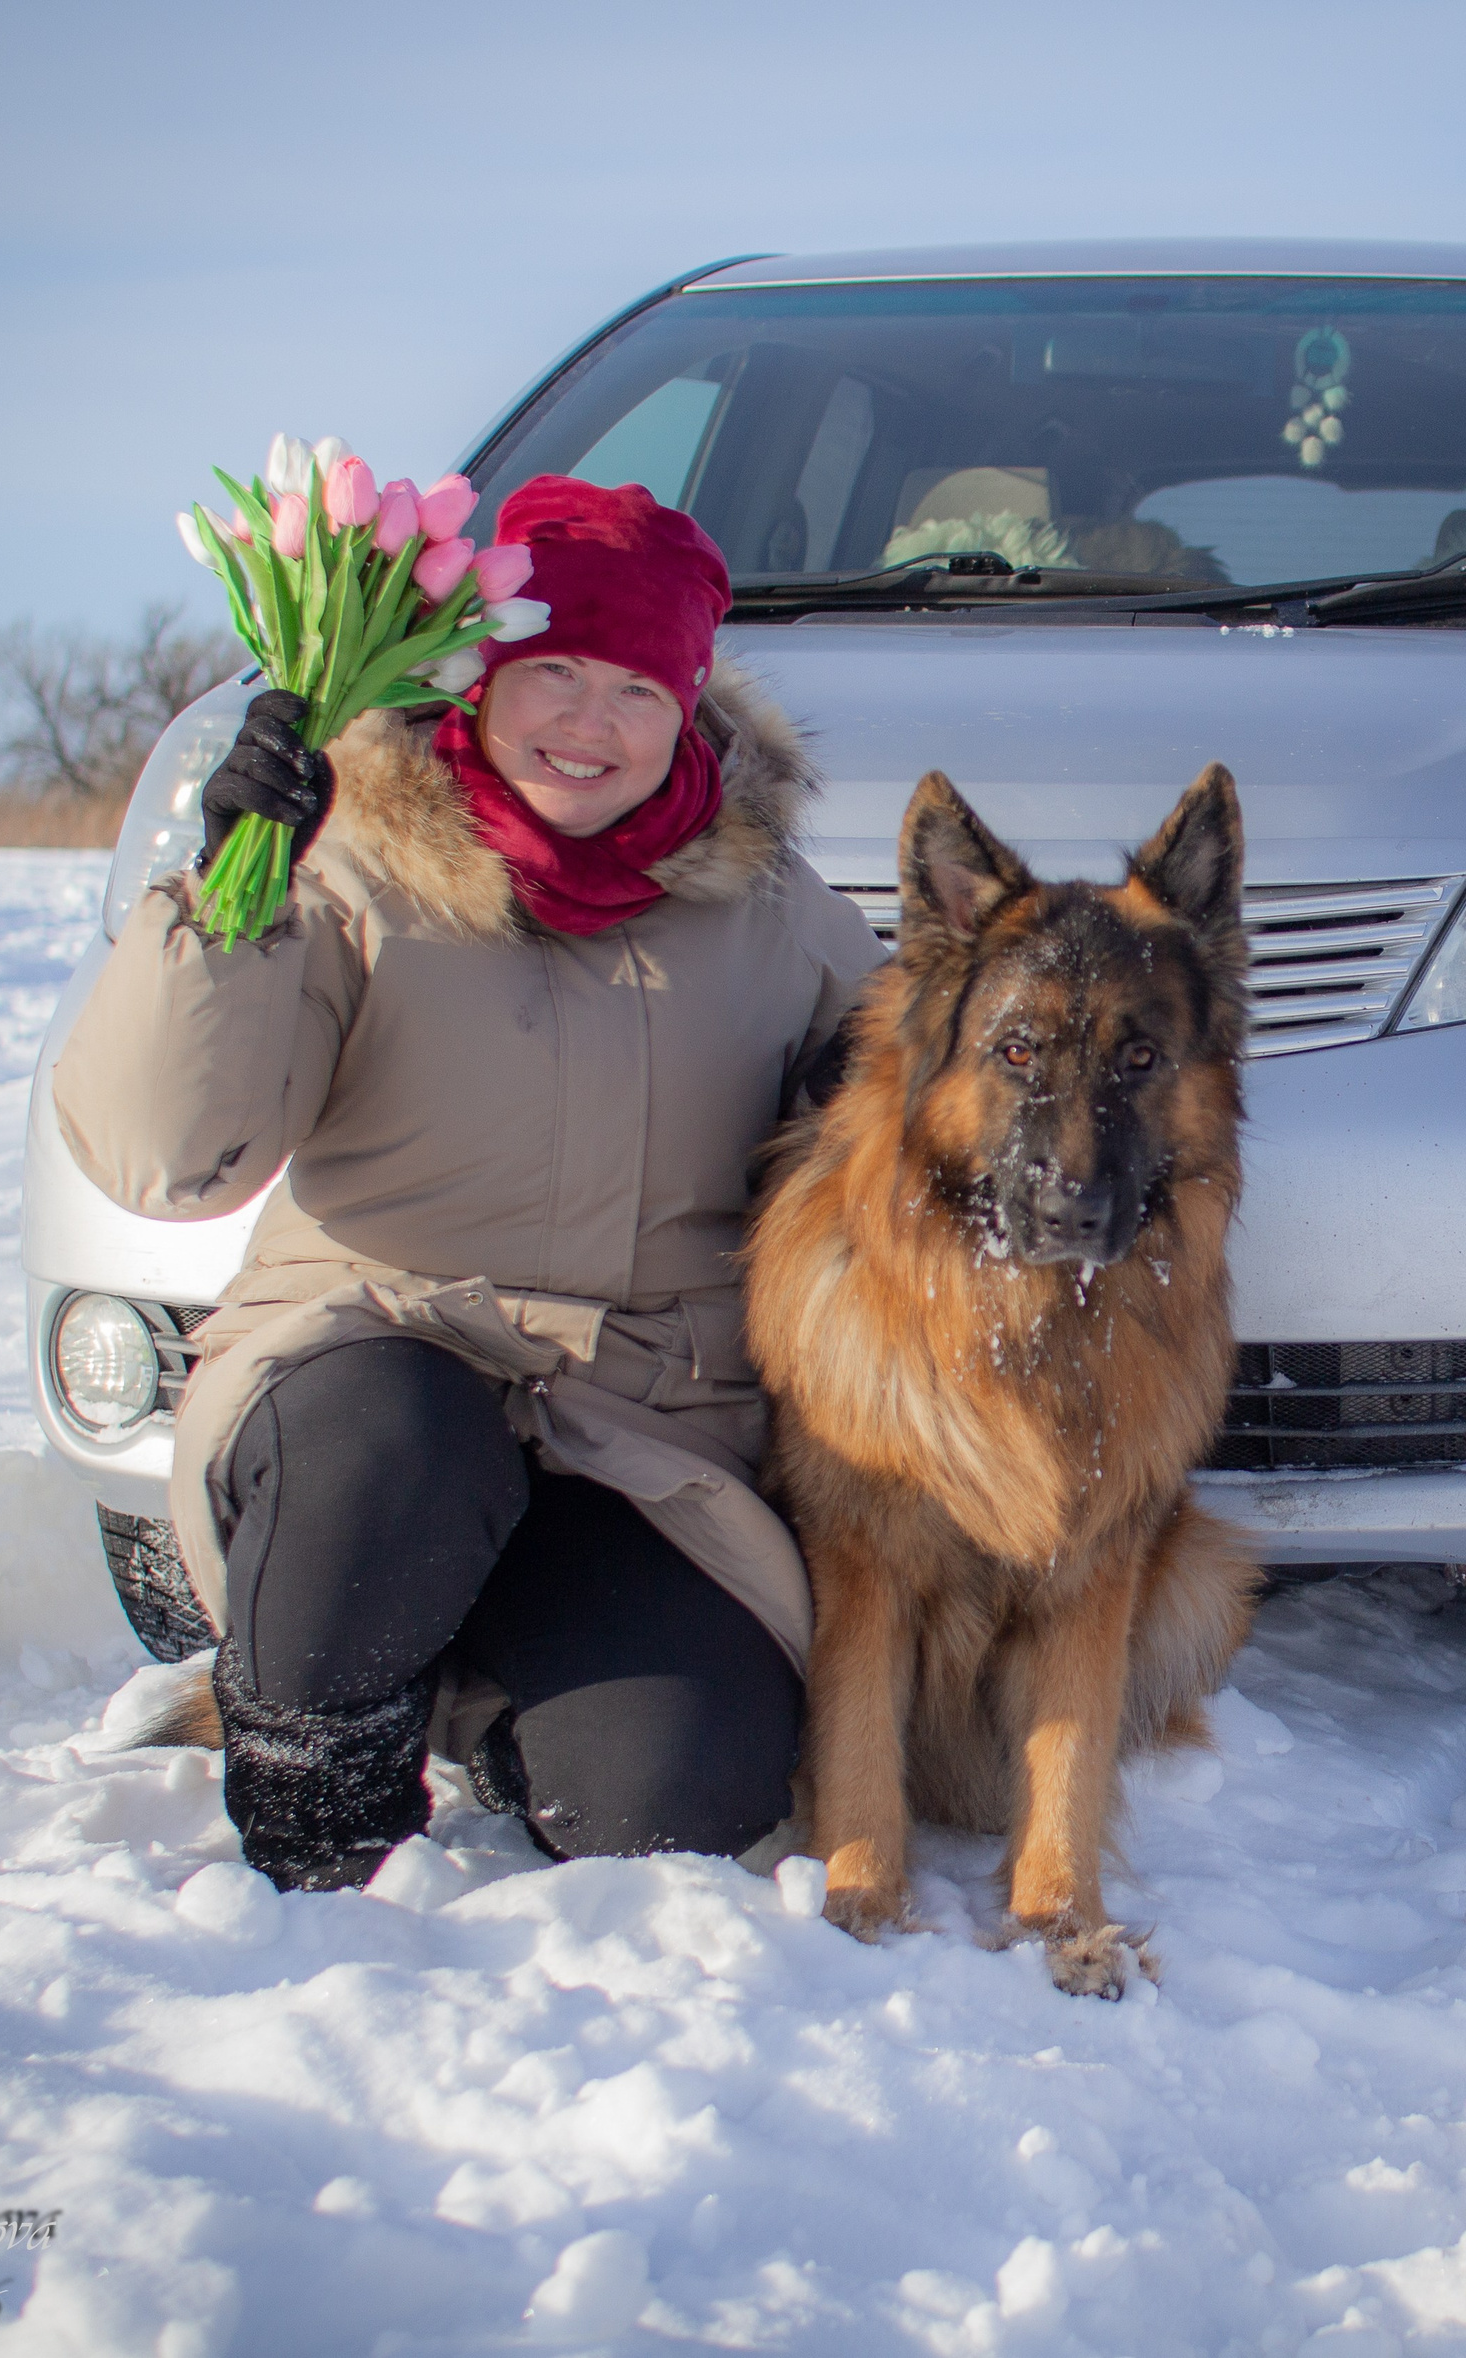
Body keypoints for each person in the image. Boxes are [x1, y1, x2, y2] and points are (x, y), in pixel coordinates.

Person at [54, 477, 887, 1890]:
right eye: (554, 670)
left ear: (688, 705)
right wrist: (220, 909)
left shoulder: (774, 910)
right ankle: (318, 1783)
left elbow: (907, 1108)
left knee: (682, 1793)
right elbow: (165, 1152)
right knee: (398, 1447)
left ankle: (493, 1690)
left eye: (636, 687)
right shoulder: (349, 862)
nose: (589, 723)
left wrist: (852, 1112)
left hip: (635, 1431)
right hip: (372, 1373)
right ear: (481, 673)